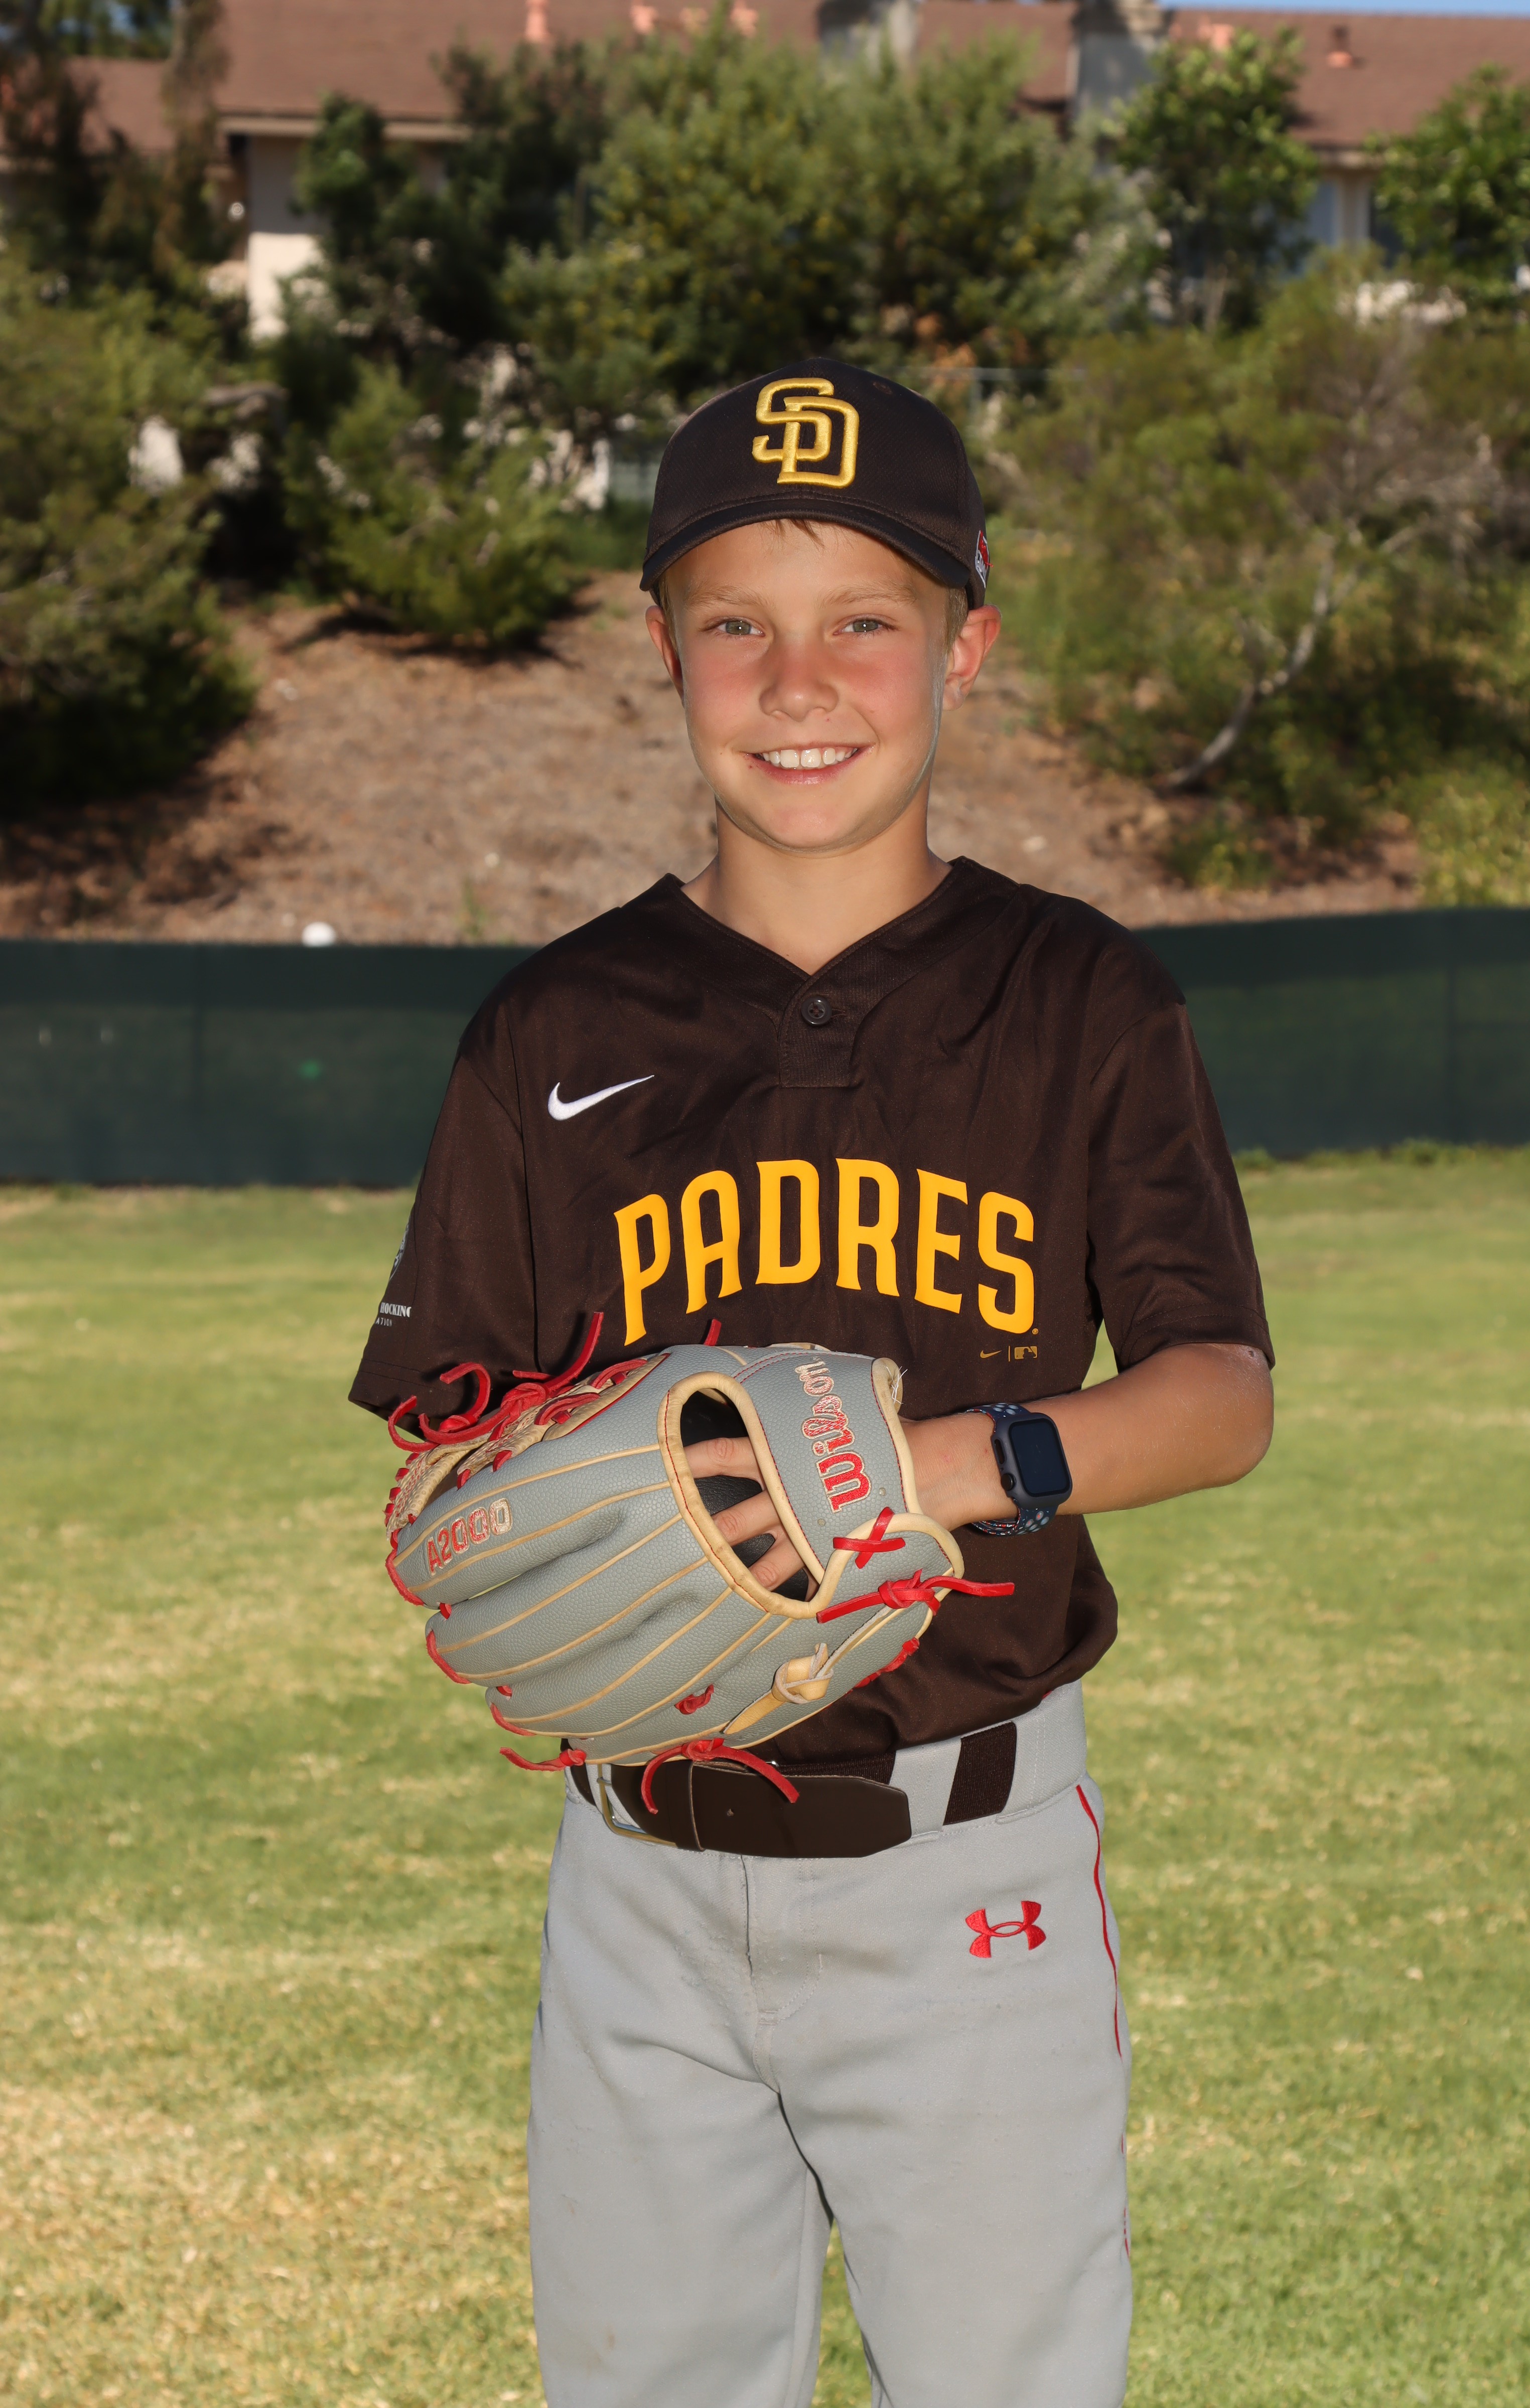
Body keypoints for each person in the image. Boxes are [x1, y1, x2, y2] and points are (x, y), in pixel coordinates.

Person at [350, 359, 1274, 2408]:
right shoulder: (554, 1030)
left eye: (863, 618)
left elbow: (1219, 1390)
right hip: (641, 1879)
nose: (798, 683)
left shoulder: (1081, 999)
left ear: (966, 647)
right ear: (659, 647)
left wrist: (939, 1469)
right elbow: (456, 1445)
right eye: (735, 624)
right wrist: (529, 1521)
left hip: (965, 1868)